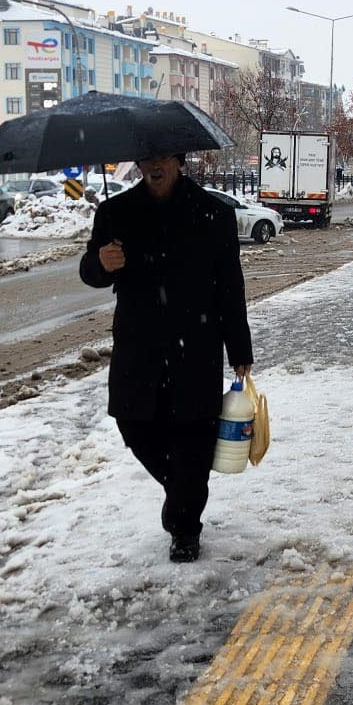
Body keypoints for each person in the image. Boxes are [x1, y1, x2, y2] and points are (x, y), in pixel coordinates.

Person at [79, 151, 254, 563]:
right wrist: (101, 263)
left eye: (162, 158)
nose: (154, 166)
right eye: (146, 159)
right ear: (139, 165)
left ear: (178, 161)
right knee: (134, 425)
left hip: (196, 344)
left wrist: (239, 347)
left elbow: (231, 284)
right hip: (138, 346)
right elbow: (90, 271)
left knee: (194, 438)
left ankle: (184, 528)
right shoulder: (115, 211)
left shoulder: (213, 213)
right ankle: (182, 491)